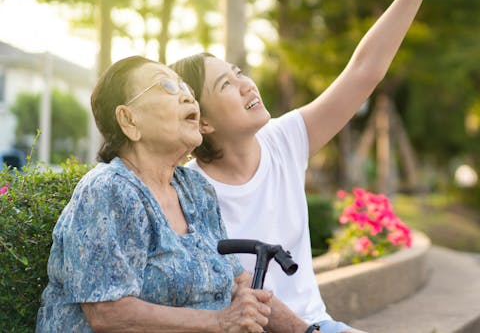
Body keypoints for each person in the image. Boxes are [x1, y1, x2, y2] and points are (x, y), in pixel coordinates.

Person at [171, 0, 480, 333]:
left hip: (317, 326)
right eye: (226, 84)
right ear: (201, 122)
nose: (246, 84)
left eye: (240, 72)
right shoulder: (189, 192)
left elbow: (364, 70)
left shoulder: (284, 140)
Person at [36, 56, 308, 332]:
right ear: (129, 121)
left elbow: (237, 281)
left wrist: (306, 330)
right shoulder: (109, 190)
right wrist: (220, 321)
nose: (188, 98)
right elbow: (108, 313)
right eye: (167, 87)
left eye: (187, 88)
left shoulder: (195, 189)